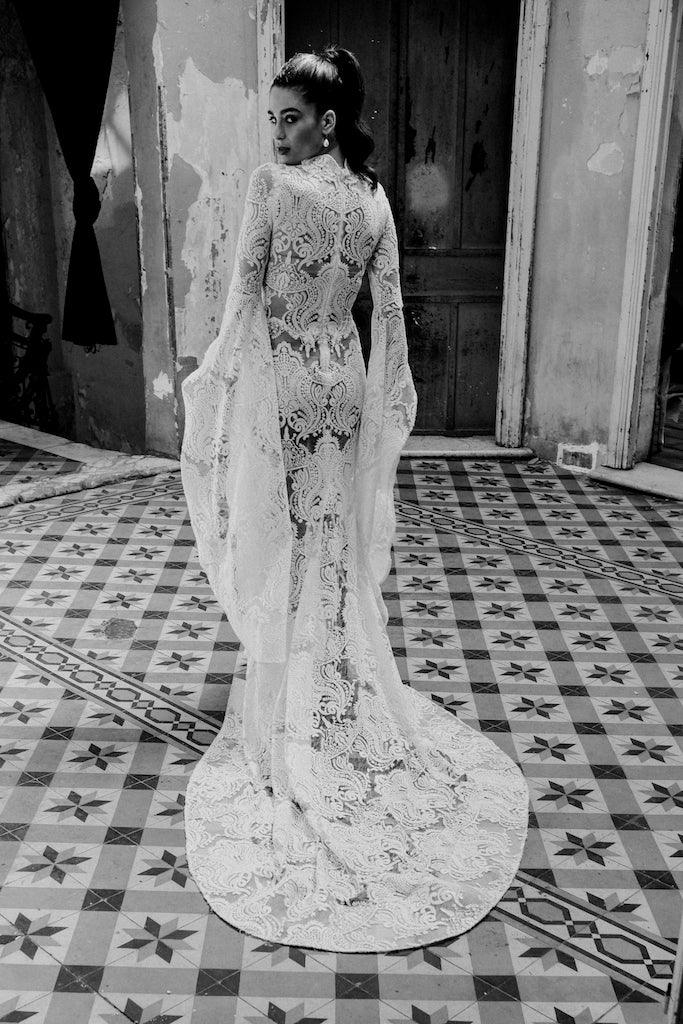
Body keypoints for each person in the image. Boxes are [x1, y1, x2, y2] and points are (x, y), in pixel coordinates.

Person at [179, 44, 529, 953]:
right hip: (343, 384)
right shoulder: (373, 198)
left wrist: (215, 380)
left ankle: (287, 714)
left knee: (285, 541)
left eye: (291, 118)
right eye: (273, 121)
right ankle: (328, 684)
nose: (279, 134)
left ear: (328, 120)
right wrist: (384, 410)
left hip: (292, 384)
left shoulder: (271, 188)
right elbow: (392, 322)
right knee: (327, 547)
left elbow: (244, 300)